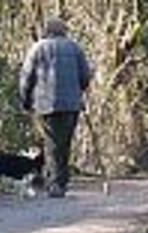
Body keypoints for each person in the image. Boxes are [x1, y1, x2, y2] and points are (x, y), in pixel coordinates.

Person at [18, 17, 94, 198]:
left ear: (47, 30)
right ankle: (61, 181)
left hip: (45, 104)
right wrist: (78, 89)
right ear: (64, 31)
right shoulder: (75, 48)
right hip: (71, 105)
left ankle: (54, 184)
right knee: (64, 143)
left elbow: (26, 77)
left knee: (51, 144)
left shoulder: (37, 48)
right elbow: (85, 76)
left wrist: (25, 101)